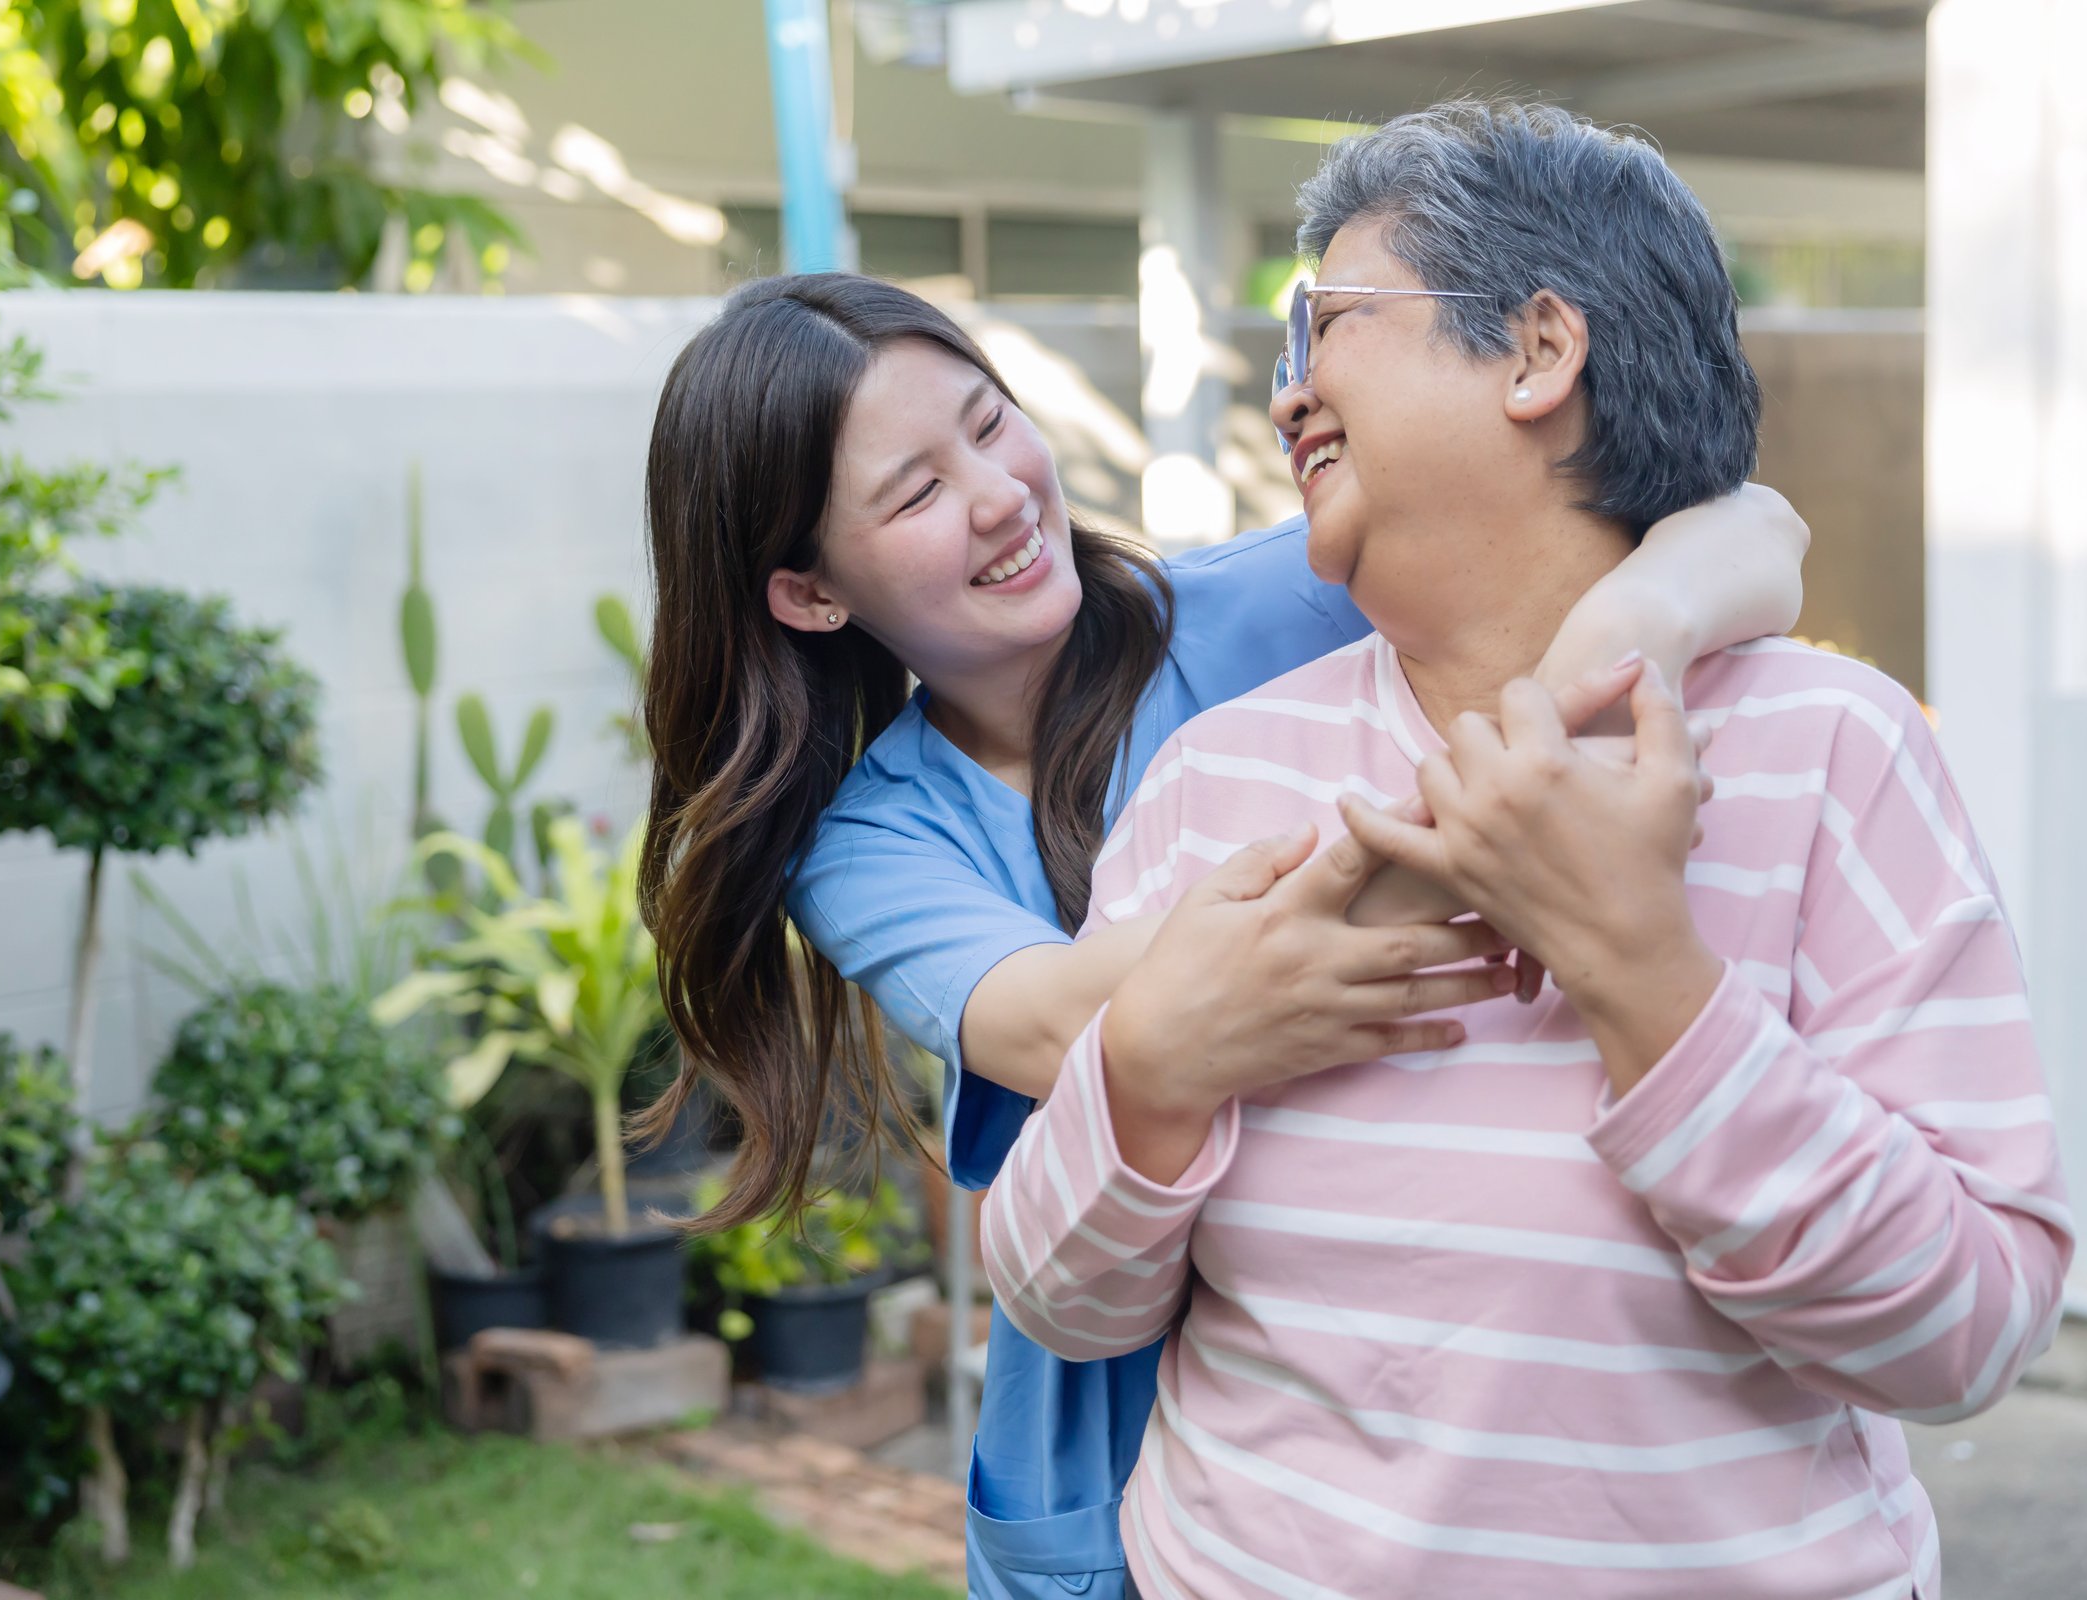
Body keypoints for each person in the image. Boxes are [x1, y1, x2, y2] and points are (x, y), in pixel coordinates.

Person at [982, 99, 2071, 1600]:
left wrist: (1650, 983)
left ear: (1540, 352)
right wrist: (1158, 1063)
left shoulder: (1839, 749)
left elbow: (1965, 1334)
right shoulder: (1220, 772)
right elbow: (1060, 1297)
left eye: (1331, 323)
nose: (1286, 387)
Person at [636, 272, 1809, 1599]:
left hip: (1372, 1417)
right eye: (912, 495)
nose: (999, 494)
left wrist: (1620, 636)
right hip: (1106, 1451)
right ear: (808, 593)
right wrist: (1524, 807)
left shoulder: (1287, 597)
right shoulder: (871, 842)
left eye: (988, 421)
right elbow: (1083, 1019)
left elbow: (1751, 527)